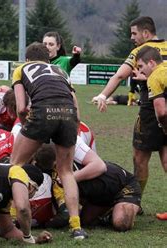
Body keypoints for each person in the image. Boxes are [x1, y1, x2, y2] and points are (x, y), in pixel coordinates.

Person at [9, 42, 87, 239]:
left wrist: (28, 129)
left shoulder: (21, 69)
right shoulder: (60, 70)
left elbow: (21, 108)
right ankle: (76, 227)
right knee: (66, 172)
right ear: (47, 60)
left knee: (15, 165)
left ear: (27, 60)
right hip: (69, 114)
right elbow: (76, 108)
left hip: (42, 112)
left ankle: (10, 219)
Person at [93, 16, 167, 197]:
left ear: (146, 33)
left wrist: (103, 95)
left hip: (151, 111)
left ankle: (136, 200)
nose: (132, 38)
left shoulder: (141, 51)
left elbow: (119, 76)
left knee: (140, 159)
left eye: (134, 33)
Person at [35, 144, 141, 231]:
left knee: (121, 224)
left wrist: (71, 178)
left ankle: (126, 207)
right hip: (100, 197)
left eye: (55, 166)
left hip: (123, 186)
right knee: (85, 222)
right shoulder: (52, 174)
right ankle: (110, 212)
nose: (56, 170)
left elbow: (101, 167)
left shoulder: (75, 157)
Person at [134, 46, 167, 220]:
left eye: (141, 66)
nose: (140, 70)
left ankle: (134, 202)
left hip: (153, 120)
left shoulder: (155, 76)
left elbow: (161, 112)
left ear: (152, 62)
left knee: (140, 160)